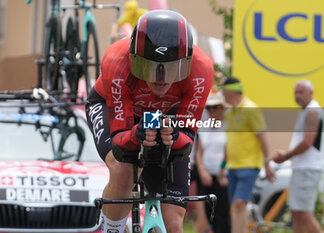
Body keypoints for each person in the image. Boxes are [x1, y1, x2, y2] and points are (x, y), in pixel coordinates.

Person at [85, 10, 214, 233]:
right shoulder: (116, 61)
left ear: (186, 62)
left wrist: (175, 135)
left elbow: (187, 138)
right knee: (123, 168)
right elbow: (120, 142)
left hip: (164, 115)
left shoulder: (201, 69)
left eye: (171, 67)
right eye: (149, 66)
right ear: (134, 60)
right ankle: (112, 229)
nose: (160, 78)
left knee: (173, 224)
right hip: (115, 109)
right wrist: (137, 134)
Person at [217, 77, 275, 233]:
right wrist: (223, 166)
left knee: (238, 204)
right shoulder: (229, 113)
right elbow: (229, 142)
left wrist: (267, 164)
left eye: (223, 89)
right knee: (236, 207)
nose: (222, 93)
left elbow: (262, 137)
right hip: (233, 167)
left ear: (231, 90)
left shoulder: (251, 109)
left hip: (249, 166)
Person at [271, 80, 324, 233]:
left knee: (304, 214)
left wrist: (286, 155)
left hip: (307, 169)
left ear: (311, 93)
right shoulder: (307, 111)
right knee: (297, 213)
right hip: (303, 168)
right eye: (296, 92)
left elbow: (308, 141)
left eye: (301, 92)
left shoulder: (312, 111)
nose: (297, 96)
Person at [196, 91, 230, 233]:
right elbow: (199, 152)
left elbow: (229, 153)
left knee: (223, 212)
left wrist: (222, 171)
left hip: (223, 175)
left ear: (222, 108)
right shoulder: (204, 127)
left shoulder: (228, 127)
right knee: (209, 211)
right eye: (208, 108)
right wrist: (202, 171)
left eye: (214, 107)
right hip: (206, 175)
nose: (211, 111)